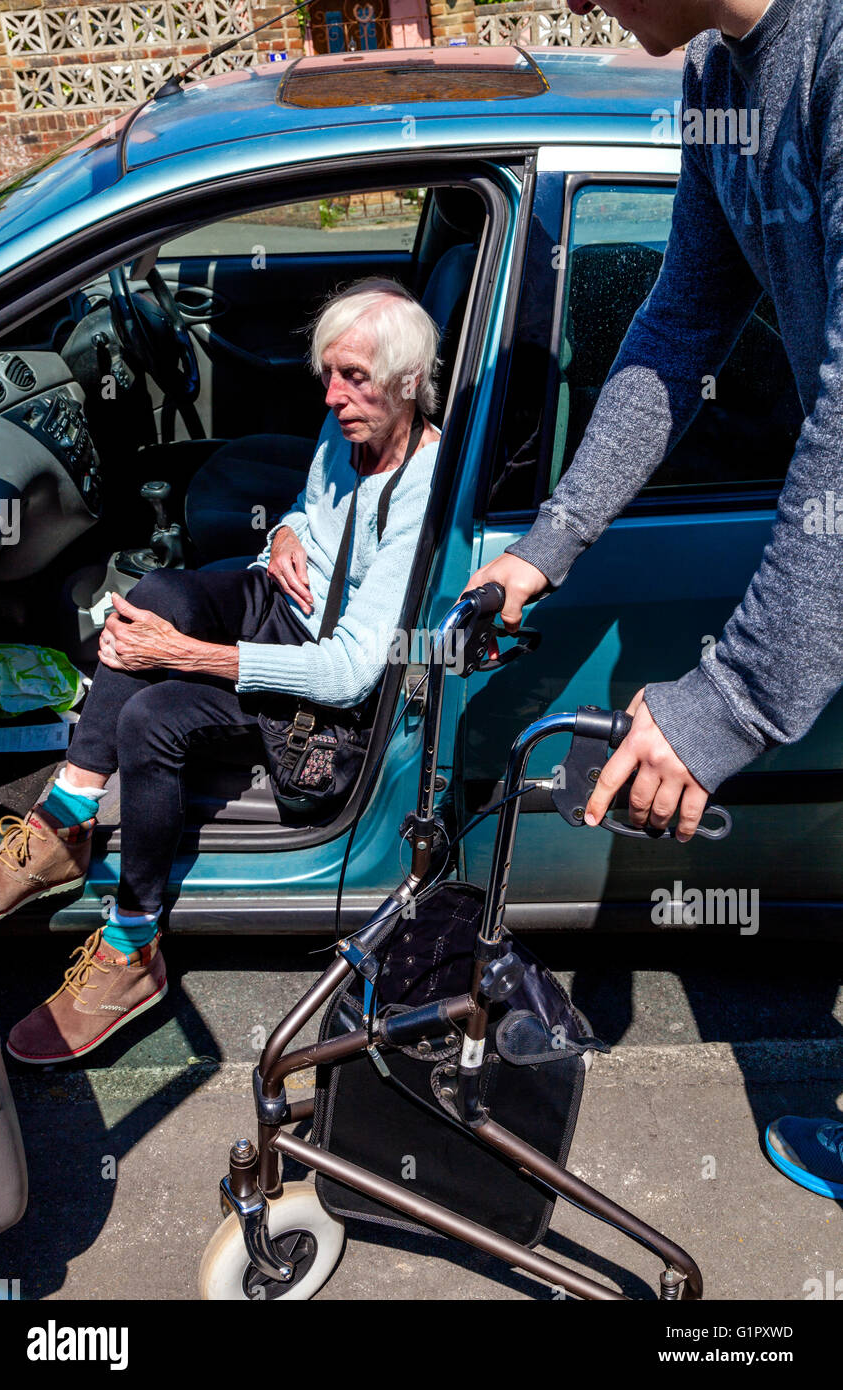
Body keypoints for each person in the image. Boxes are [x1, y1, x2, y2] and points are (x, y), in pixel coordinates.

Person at [468, 0, 843, 1195]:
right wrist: (551, 538)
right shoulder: (717, 82)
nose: (577, 2)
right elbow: (680, 322)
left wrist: (728, 696)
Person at [0, 277, 440, 1065]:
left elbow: (354, 674)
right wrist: (289, 535)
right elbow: (310, 504)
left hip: (315, 683)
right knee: (156, 590)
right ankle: (66, 815)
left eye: (353, 377)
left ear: (408, 383)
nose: (331, 396)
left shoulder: (423, 491)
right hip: (285, 602)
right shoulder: (353, 425)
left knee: (147, 719)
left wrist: (182, 657)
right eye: (327, 373)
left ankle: (131, 950)